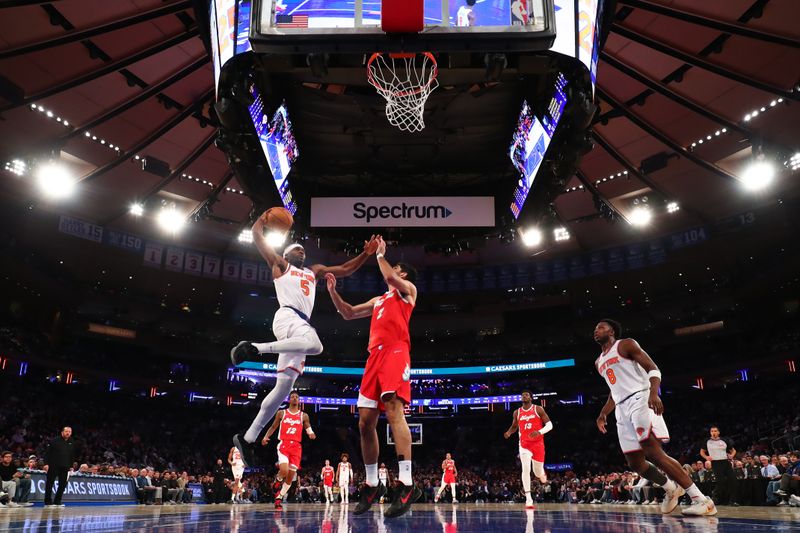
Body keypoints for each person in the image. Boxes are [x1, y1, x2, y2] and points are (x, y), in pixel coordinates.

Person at [231, 213, 379, 466]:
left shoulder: (314, 271)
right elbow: (257, 238)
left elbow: (346, 269)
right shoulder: (280, 265)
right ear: (287, 254)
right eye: (297, 250)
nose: (302, 253)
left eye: (303, 251)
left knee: (282, 390)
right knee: (316, 344)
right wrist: (260, 221)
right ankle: (254, 348)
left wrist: (366, 253)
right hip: (287, 316)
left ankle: (248, 438)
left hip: (298, 326)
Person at [325, 237, 421, 517]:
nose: (393, 271)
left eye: (397, 268)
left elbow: (389, 275)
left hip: (395, 351)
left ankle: (406, 482)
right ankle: (371, 483)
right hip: (373, 357)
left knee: (393, 409)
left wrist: (380, 254)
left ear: (402, 273)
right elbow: (348, 313)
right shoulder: (379, 300)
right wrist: (333, 291)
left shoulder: (408, 292)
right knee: (365, 422)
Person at [593, 319, 716, 516]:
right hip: (621, 408)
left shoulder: (625, 344)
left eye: (600, 327)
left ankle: (702, 499)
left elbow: (653, 368)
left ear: (612, 331)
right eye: (595, 328)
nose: (596, 330)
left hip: (640, 398)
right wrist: (602, 414)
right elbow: (613, 391)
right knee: (635, 463)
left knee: (653, 451)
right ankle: (670, 488)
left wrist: (653, 393)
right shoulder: (599, 362)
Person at [261, 391, 315, 509]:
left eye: (297, 397)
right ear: (289, 400)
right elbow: (273, 426)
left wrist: (311, 433)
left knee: (291, 477)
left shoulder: (304, 415)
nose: (295, 398)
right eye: (292, 397)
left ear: (299, 400)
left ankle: (279, 497)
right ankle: (278, 479)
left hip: (296, 447)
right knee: (284, 470)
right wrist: (266, 437)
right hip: (284, 445)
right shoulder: (282, 413)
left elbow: (308, 428)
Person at [503, 390, 554, 509]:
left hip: (538, 444)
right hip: (524, 445)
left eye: (526, 395)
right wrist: (509, 432)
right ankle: (528, 499)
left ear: (531, 398)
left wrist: (539, 432)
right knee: (525, 468)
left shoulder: (538, 409)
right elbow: (515, 426)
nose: (524, 396)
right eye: (522, 395)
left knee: (537, 472)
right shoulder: (517, 412)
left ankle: (542, 474)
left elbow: (550, 425)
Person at [700, 426, 738, 506]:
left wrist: (731, 455)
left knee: (733, 480)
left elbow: (733, 451)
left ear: (718, 432)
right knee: (720, 482)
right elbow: (702, 452)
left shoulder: (724, 440)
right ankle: (714, 499)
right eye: (712, 431)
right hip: (715, 463)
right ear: (710, 432)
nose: (713, 432)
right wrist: (706, 457)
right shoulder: (707, 441)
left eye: (715, 431)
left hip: (725, 462)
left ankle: (732, 501)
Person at [43, 426, 78, 508]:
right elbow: (47, 453)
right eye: (66, 431)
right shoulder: (54, 440)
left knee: (63, 484)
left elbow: (72, 455)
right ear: (62, 432)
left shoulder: (72, 442)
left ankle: (57, 501)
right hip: (53, 465)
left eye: (69, 431)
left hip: (65, 467)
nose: (68, 433)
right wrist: (46, 464)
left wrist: (71, 466)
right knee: (50, 483)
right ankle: (47, 502)